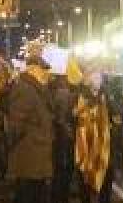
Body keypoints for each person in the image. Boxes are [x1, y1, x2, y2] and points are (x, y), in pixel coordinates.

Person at [7, 54, 55, 203]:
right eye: (44, 69)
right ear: (33, 70)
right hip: (28, 159)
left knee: (35, 194)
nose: (46, 73)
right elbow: (15, 126)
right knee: (27, 195)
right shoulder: (25, 89)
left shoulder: (36, 89)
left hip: (35, 158)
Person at [74, 72, 113, 203]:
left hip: (104, 145)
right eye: (94, 77)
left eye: (99, 78)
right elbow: (74, 114)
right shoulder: (81, 96)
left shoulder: (106, 96)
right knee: (85, 178)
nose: (97, 80)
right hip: (86, 144)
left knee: (105, 179)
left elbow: (117, 114)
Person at [48, 74, 75, 203]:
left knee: (59, 169)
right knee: (64, 168)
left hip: (58, 135)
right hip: (65, 136)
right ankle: (61, 196)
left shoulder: (53, 93)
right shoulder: (64, 94)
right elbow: (63, 118)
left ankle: (57, 195)